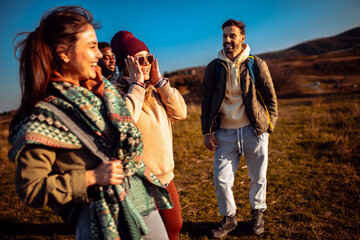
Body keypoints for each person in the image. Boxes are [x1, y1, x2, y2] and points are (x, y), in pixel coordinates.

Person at [8, 6, 172, 240]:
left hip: (142, 203)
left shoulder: (104, 94)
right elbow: (30, 188)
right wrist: (92, 177)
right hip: (101, 223)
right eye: (92, 46)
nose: (99, 55)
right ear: (64, 53)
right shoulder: (43, 115)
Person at [201, 19, 278, 238]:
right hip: (224, 133)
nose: (228, 40)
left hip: (253, 131)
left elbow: (271, 98)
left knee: (258, 177)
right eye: (225, 36)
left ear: (242, 38)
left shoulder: (256, 64)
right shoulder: (213, 68)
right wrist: (207, 131)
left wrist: (268, 125)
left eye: (232, 35)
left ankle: (257, 214)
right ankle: (229, 218)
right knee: (221, 179)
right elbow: (206, 101)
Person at [110, 31, 187, 240]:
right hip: (139, 179)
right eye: (139, 59)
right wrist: (136, 86)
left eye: (149, 58)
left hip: (165, 176)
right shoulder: (117, 92)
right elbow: (123, 123)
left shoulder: (155, 90)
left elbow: (181, 113)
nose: (146, 63)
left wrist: (160, 82)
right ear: (125, 63)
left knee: (174, 226)